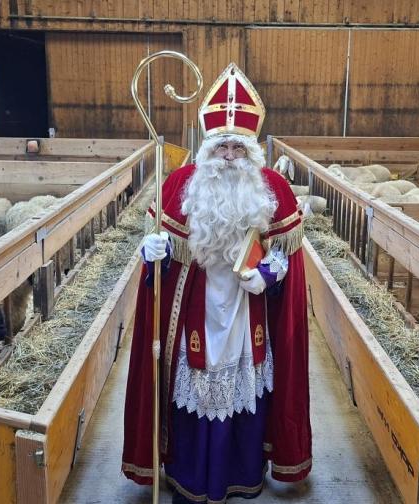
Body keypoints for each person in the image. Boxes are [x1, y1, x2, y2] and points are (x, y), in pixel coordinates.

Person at [122, 63, 312, 503]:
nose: (229, 156)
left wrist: (268, 275)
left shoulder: (271, 189)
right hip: (194, 310)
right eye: (221, 147)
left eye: (238, 148)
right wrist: (150, 255)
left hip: (249, 314)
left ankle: (243, 473)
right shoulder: (180, 186)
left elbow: (286, 256)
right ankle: (187, 473)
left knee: (246, 394)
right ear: (207, 150)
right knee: (193, 390)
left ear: (251, 153)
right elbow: (161, 261)